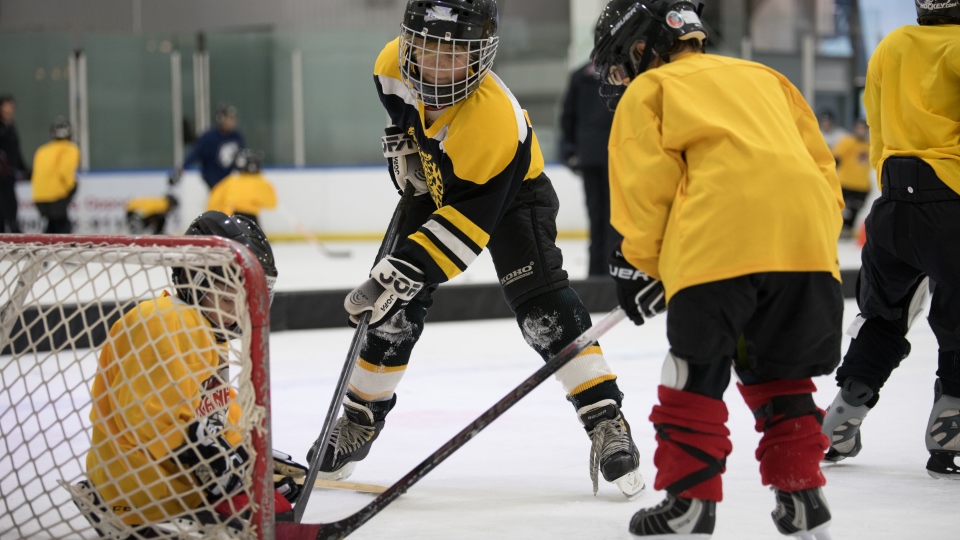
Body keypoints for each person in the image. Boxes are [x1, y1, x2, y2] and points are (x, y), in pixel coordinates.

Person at [308, 0, 644, 500]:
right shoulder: (388, 65)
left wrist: (402, 270)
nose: (439, 67)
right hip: (442, 180)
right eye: (427, 50)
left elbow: (465, 230)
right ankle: (359, 420)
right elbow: (406, 114)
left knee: (542, 306)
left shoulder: (493, 121)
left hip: (513, 197)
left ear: (480, 55)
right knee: (391, 309)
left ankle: (603, 415)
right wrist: (410, 147)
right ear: (408, 45)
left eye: (455, 54)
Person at [592, 0, 844, 537]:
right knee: (781, 374)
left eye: (620, 63)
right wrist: (810, 238)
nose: (622, 77)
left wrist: (640, 264)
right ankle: (802, 497)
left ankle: (688, 504)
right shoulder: (767, 76)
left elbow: (646, 186)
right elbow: (822, 165)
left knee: (692, 370)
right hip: (806, 248)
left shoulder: (651, 90)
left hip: (719, 245)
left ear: (641, 46)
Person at [78, 212, 303, 536]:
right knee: (270, 517)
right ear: (193, 281)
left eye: (248, 300)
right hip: (141, 489)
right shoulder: (168, 320)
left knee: (271, 506)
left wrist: (248, 451)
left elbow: (214, 407)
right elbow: (153, 418)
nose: (239, 312)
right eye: (228, 299)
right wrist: (229, 467)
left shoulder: (205, 329)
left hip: (158, 480)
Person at [821, 3, 960, 480]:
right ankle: (951, 431)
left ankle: (842, 417)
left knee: (882, 317)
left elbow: (876, 124)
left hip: (893, 207)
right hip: (954, 201)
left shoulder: (894, 45)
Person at [560, 61, 622, 277]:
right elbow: (569, 115)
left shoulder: (581, 75)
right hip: (613, 155)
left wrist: (569, 150)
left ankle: (598, 273)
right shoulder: (623, 72)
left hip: (593, 155)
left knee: (599, 216)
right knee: (612, 218)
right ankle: (610, 273)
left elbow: (568, 116)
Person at [31, 118, 79, 234]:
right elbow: (65, 172)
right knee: (63, 229)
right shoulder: (70, 148)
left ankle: (43, 250)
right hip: (56, 196)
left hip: (39, 197)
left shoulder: (42, 150)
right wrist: (72, 187)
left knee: (52, 227)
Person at [179, 103, 244, 190]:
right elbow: (195, 154)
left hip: (228, 181)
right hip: (210, 181)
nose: (233, 121)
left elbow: (241, 157)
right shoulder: (209, 137)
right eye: (230, 118)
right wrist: (182, 168)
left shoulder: (237, 136)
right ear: (221, 119)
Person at [206, 149, 277, 227]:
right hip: (251, 218)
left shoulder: (228, 182)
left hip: (231, 218)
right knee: (253, 238)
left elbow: (213, 203)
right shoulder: (259, 182)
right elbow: (271, 203)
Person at [832, 118, 872, 239]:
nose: (861, 131)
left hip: (862, 185)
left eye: (863, 128)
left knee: (855, 210)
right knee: (843, 210)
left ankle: (848, 231)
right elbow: (835, 158)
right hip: (845, 182)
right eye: (858, 128)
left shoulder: (870, 145)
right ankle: (839, 230)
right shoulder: (847, 142)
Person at [0, 94, 30, 233]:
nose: (11, 109)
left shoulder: (11, 127)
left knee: (10, 208)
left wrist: (24, 169)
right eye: (8, 106)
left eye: (12, 106)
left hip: (9, 175)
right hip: (2, 176)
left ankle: (13, 235)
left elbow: (16, 152)